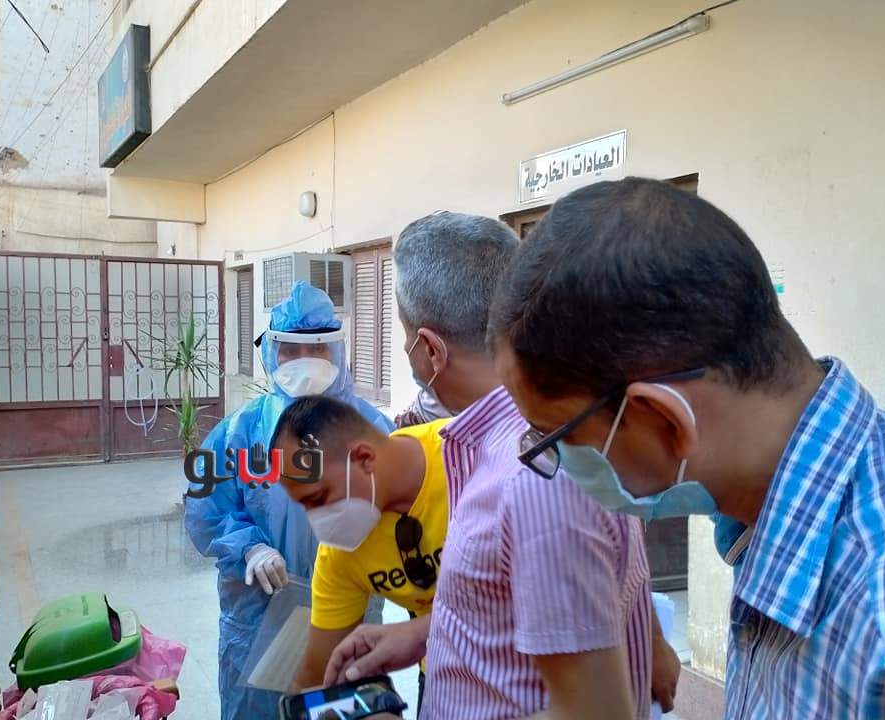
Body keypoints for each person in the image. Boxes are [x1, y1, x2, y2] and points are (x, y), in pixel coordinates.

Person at [489, 177, 885, 718]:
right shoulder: (775, 520)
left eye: (558, 439)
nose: (560, 468)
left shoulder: (874, 613)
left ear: (664, 419)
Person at [326, 212, 679, 719]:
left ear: (430, 349)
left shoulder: (530, 475)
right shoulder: (507, 443)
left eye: (404, 337)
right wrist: (426, 633)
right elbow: (543, 595)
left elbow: (591, 713)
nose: (406, 353)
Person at [185, 281, 394, 720]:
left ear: (336, 351)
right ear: (270, 352)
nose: (304, 361)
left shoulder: (374, 429)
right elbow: (206, 509)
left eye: (316, 350)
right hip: (259, 617)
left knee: (344, 705)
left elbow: (401, 515)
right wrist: (249, 547)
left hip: (348, 615)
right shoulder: (240, 432)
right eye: (290, 351)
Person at [271, 395, 450, 714]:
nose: (318, 521)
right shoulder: (340, 553)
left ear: (365, 458)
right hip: (444, 672)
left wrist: (422, 631)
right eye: (305, 506)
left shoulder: (466, 459)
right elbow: (319, 673)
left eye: (319, 498)